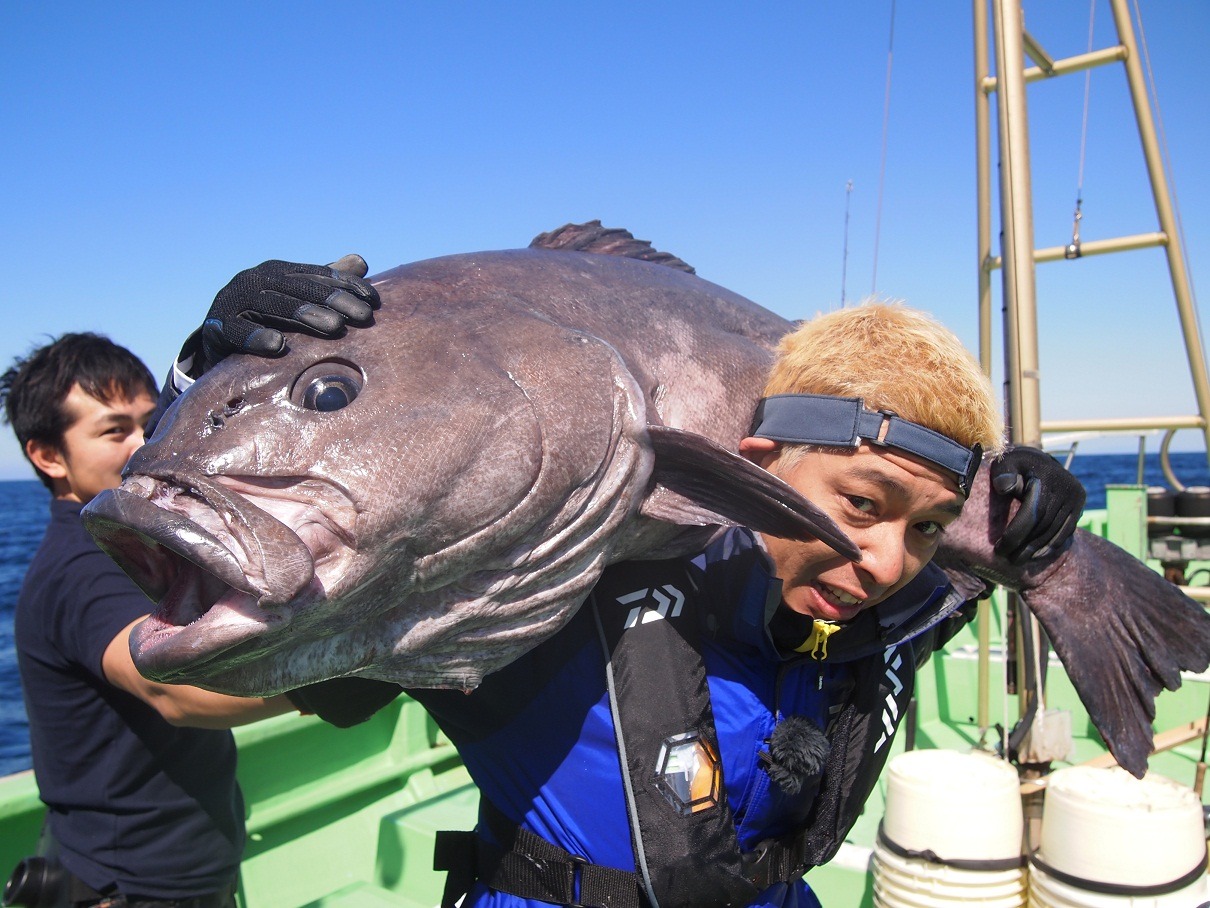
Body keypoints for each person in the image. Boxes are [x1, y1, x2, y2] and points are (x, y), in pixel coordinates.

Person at [166, 253, 1082, 908]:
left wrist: (1033, 527)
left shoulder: (884, 603)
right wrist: (202, 374)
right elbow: (233, 648)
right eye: (857, 504)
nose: (886, 561)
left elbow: (962, 573)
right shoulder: (541, 581)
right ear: (755, 460)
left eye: (924, 528)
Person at [0, 260, 381, 908]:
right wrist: (342, 676)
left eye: (147, 424)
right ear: (46, 455)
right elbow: (171, 688)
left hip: (184, 870)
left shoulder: (137, 540)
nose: (141, 446)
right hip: (133, 889)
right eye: (113, 431)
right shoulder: (81, 562)